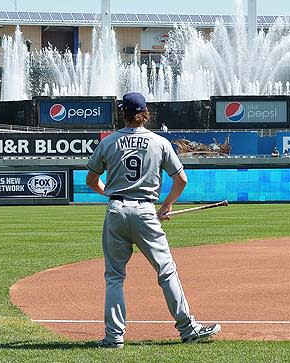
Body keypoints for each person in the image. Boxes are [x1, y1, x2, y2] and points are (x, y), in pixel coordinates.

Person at [85, 92, 221, 348]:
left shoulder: (109, 142)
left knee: (114, 276)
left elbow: (91, 180)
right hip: (146, 211)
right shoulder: (159, 142)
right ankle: (187, 328)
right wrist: (166, 205)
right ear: (145, 113)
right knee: (166, 271)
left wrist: (112, 194)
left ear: (122, 113)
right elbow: (181, 180)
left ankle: (114, 337)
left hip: (116, 209)